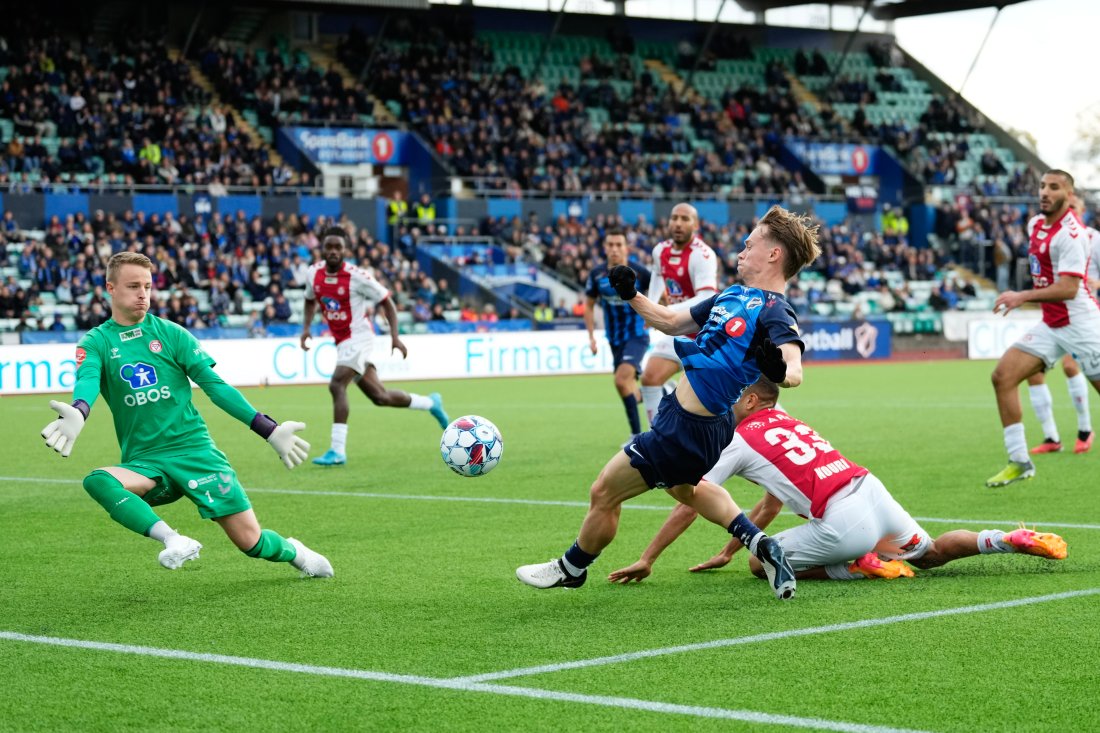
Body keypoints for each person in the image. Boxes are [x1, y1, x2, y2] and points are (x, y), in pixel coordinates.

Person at [516, 205, 821, 600]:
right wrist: (632, 295)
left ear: (774, 254)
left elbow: (794, 369)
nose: (741, 252)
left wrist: (778, 370)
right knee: (686, 491)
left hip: (686, 429)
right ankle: (761, 543)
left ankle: (571, 567)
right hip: (702, 424)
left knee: (604, 491)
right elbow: (672, 322)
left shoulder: (775, 310)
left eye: (749, 246)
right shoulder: (732, 294)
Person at [39, 252, 332, 577]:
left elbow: (215, 386)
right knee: (98, 481)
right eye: (134, 286)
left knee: (251, 542)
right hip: (146, 462)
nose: (143, 294)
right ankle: (173, 539)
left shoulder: (171, 333)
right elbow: (88, 379)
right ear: (110, 288)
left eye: (148, 286)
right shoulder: (96, 342)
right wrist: (79, 411)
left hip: (195, 452)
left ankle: (297, 552)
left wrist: (269, 429)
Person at [608, 379, 1067, 585]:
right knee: (930, 554)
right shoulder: (789, 422)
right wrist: (727, 548)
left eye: (733, 396)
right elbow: (769, 505)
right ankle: (1005, 539)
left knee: (759, 566)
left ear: (750, 400)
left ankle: (855, 567)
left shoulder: (735, 438)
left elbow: (691, 500)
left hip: (842, 522)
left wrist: (648, 558)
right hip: (870, 490)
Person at [300, 226, 449, 467]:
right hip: (342, 342)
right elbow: (309, 301)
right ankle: (431, 403)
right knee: (380, 397)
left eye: (338, 247)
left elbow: (387, 301)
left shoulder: (357, 276)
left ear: (346, 250)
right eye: (329, 247)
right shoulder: (312, 274)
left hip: (359, 338)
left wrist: (395, 337)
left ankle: (337, 450)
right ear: (322, 249)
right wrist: (306, 328)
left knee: (337, 384)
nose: (333, 251)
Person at [988, 170, 1100, 487]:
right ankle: (1019, 461)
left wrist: (1022, 296)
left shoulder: (1073, 235)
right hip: (1052, 324)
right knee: (1002, 376)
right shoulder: (1035, 224)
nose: (1045, 192)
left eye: (1054, 187)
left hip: (1082, 324)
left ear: (1069, 194)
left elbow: (1069, 289)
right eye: (1042, 186)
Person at [1024, 195, 1097, 455]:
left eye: (1074, 207)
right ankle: (1051, 437)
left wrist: (1094, 283)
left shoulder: (1093, 238)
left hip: (1084, 318)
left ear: (1083, 211)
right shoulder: (1051, 233)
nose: (1069, 211)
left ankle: (1085, 430)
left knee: (1069, 366)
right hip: (1055, 316)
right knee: (1032, 372)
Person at [639, 203, 718, 426]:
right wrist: (651, 305)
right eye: (674, 218)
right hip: (679, 329)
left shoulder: (703, 255)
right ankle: (656, 434)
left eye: (685, 219)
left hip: (705, 335)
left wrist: (663, 312)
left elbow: (706, 298)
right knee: (649, 378)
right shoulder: (660, 250)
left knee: (713, 399)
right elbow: (657, 275)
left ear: (695, 224)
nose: (678, 223)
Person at [584, 228, 652, 438]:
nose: (614, 249)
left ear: (626, 248)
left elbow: (661, 293)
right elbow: (589, 305)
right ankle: (661, 392)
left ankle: (636, 436)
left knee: (621, 381)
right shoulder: (597, 275)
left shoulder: (640, 273)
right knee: (627, 388)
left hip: (637, 335)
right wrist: (591, 337)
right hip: (614, 339)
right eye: (610, 245)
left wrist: (656, 317)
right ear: (605, 248)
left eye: (618, 245)